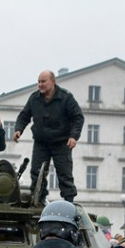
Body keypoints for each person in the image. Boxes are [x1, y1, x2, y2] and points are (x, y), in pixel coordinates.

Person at [13, 70, 84, 203]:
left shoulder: (65, 98)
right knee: (36, 172)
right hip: (41, 142)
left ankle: (69, 201)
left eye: (43, 81)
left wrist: (74, 136)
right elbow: (24, 115)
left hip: (61, 142)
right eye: (39, 82)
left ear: (52, 81)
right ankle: (39, 199)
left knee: (64, 174)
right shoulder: (34, 98)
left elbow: (78, 117)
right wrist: (18, 129)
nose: (40, 84)